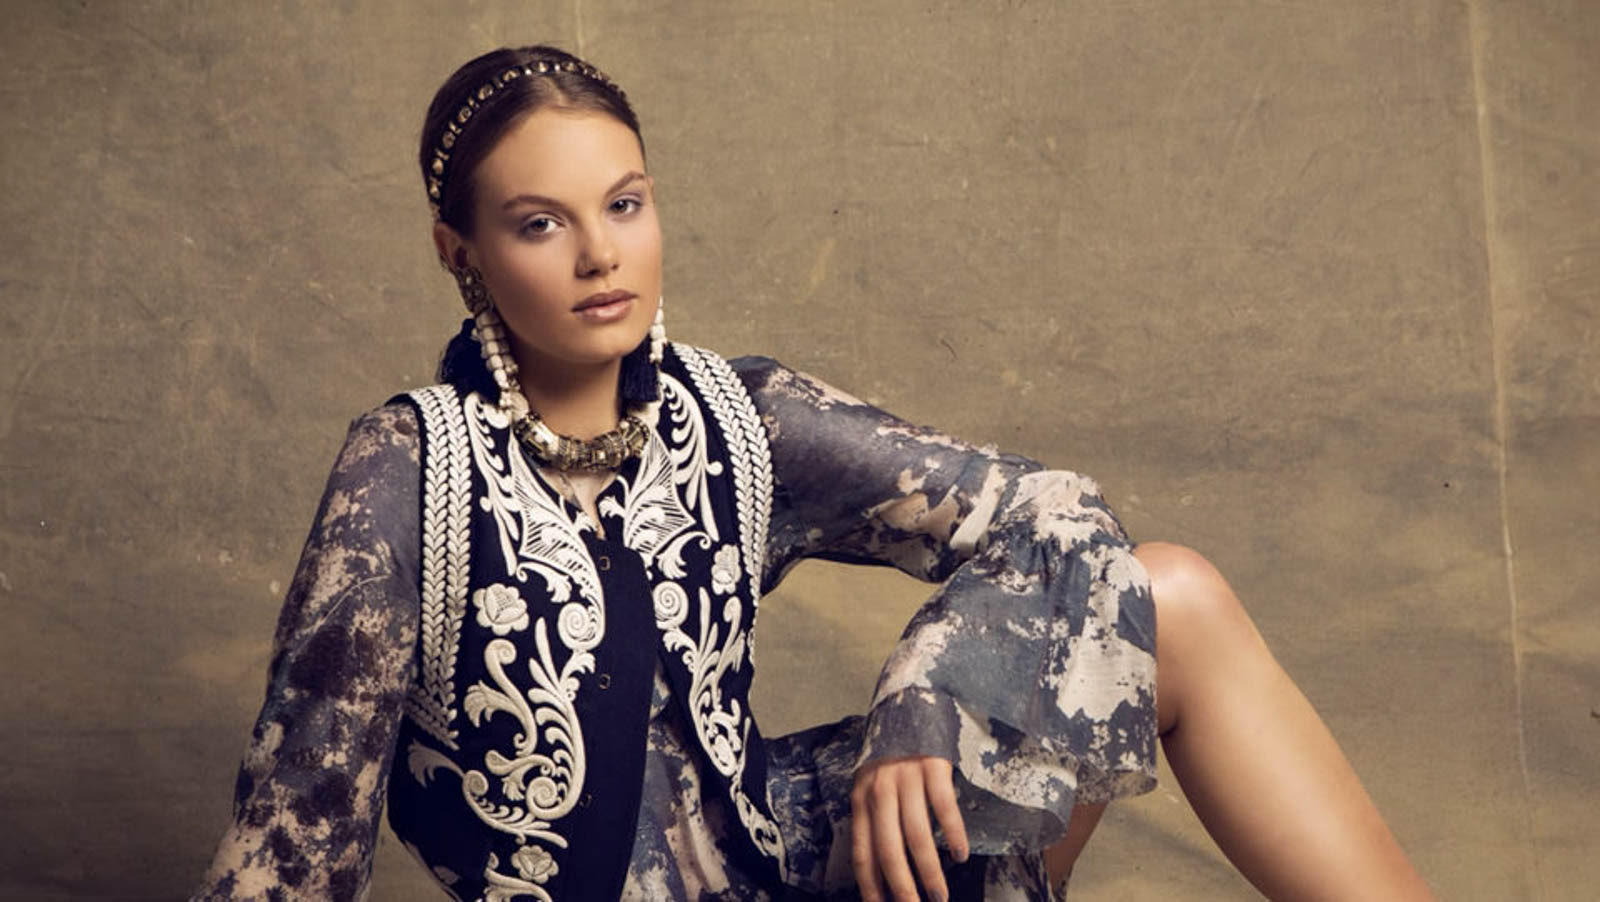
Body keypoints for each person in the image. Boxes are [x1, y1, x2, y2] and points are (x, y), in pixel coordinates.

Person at [192, 44, 1434, 901]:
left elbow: (1055, 513)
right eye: (539, 223)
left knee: (1172, 594)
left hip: (799, 864)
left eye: (624, 204)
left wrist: (920, 701)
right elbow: (294, 837)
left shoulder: (737, 415)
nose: (599, 255)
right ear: (458, 251)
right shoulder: (406, 471)